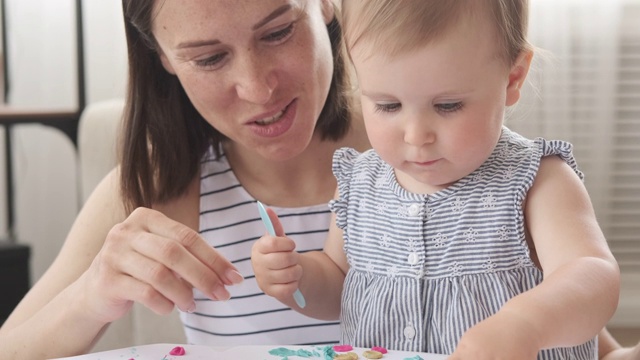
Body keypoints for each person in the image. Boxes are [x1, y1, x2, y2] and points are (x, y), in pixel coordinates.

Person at [0, 0, 634, 359]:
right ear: (163, 59)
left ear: (326, 6)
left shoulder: (450, 157)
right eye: (209, 57)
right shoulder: (157, 187)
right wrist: (93, 298)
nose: (257, 88)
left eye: (278, 32)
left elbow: (582, 326)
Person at [252, 0, 625, 359]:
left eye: (447, 106)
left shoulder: (536, 180)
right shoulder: (360, 183)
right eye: (388, 105)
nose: (416, 135)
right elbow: (339, 285)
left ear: (512, 79)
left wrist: (526, 323)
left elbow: (594, 278)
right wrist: (298, 278)